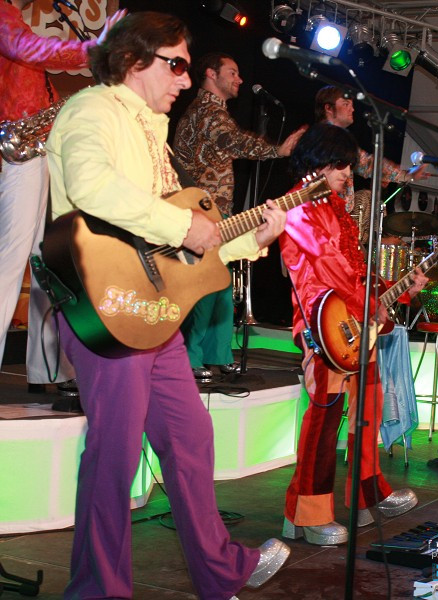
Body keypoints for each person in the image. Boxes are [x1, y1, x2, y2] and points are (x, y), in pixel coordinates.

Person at [45, 12, 289, 597]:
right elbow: (92, 187)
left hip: (154, 312)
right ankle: (98, 591)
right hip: (108, 308)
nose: (186, 78)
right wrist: (182, 226)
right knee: (115, 455)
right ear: (134, 60)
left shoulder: (155, 132)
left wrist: (248, 241)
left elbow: (177, 246)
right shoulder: (93, 111)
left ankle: (220, 572)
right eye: (176, 64)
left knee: (189, 438)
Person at [279, 123, 427, 545]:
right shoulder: (299, 206)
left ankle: (366, 497)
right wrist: (369, 300)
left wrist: (396, 289)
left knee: (368, 413)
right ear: (318, 162)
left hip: (356, 323)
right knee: (324, 422)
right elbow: (329, 268)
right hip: (323, 327)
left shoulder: (335, 208)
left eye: (348, 165)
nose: (348, 173)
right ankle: (306, 514)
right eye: (340, 165)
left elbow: (354, 270)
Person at [0, 0, 123, 394]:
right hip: (17, 148)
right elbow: (26, 48)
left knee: (43, 260)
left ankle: (48, 370)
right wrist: (93, 47)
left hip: (33, 149)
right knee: (11, 261)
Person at [173, 52, 302, 381]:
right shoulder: (206, 111)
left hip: (214, 213)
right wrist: (276, 150)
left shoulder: (215, 112)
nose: (239, 79)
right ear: (210, 73)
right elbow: (233, 141)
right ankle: (190, 356)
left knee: (220, 285)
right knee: (205, 287)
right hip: (198, 215)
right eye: (232, 72)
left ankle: (216, 353)